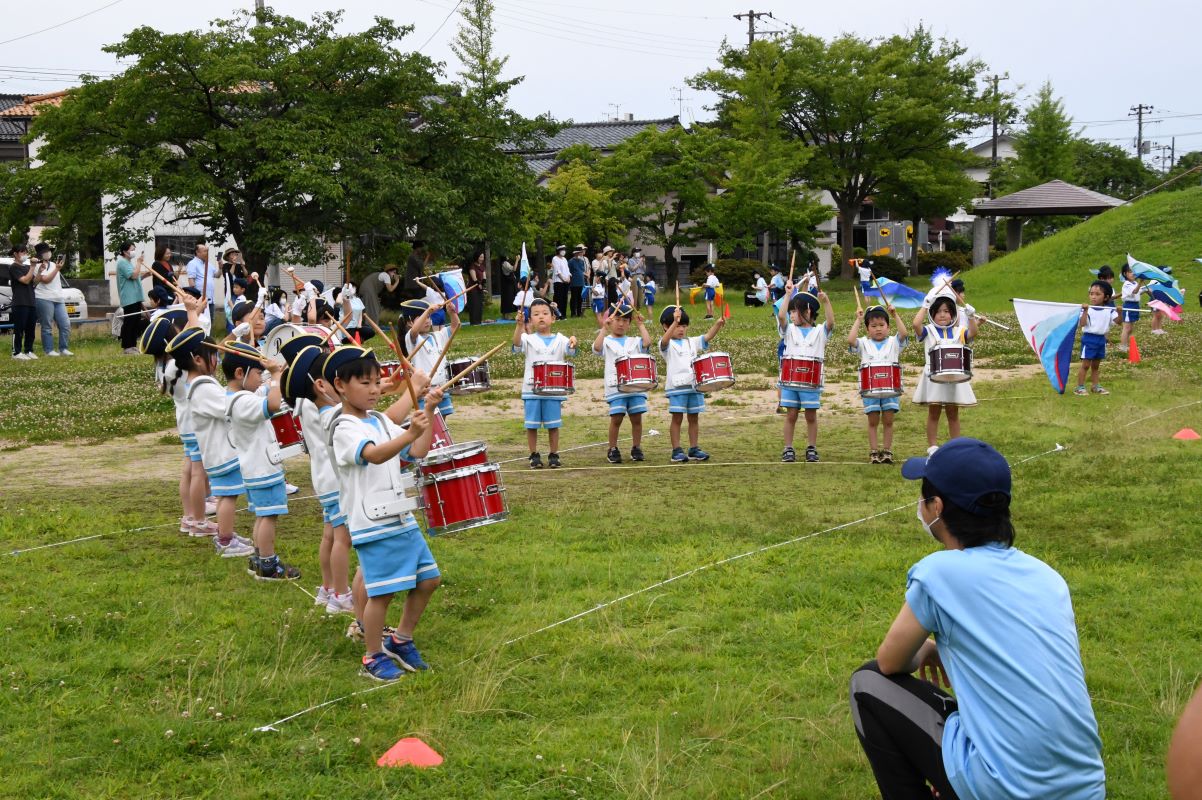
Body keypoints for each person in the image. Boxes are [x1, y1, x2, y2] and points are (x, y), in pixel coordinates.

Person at [850, 437, 1105, 800]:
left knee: (867, 683)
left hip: (1005, 788)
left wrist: (925, 649)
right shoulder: (1048, 577)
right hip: (1085, 788)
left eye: (923, 497)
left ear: (937, 507)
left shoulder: (939, 573)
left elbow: (890, 662)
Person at [326, 346, 443, 681]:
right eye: (365, 383)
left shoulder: (379, 420)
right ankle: (373, 656)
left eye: (377, 382)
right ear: (340, 385)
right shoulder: (343, 427)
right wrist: (409, 432)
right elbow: (374, 455)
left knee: (429, 579)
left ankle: (401, 640)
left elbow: (416, 451)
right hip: (371, 521)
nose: (374, 389)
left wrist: (428, 410)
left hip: (399, 515)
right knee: (382, 593)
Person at [165, 319, 254, 558]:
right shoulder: (203, 386)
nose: (217, 360)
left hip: (217, 450)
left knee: (227, 495)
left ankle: (227, 535)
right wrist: (250, 397)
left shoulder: (198, 382)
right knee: (228, 497)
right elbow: (228, 407)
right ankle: (225, 540)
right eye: (213, 355)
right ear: (197, 360)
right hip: (221, 452)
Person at [222, 342, 299, 580]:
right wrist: (275, 376)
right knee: (269, 516)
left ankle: (258, 557)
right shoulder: (243, 401)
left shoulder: (237, 397)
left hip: (254, 467)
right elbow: (273, 404)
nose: (260, 378)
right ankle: (268, 563)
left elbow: (264, 391)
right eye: (257, 373)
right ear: (240, 373)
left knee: (263, 514)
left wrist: (277, 374)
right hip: (263, 468)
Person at [513, 298, 577, 469]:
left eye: (544, 313)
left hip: (554, 389)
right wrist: (519, 326)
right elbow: (516, 345)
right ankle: (533, 454)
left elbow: (571, 350)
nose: (541, 317)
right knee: (531, 425)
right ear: (530, 320)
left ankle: (553, 453)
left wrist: (573, 341)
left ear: (553, 318)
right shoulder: (527, 338)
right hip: (532, 389)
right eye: (536, 314)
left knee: (553, 424)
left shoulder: (561, 339)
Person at [912, 292, 978, 455]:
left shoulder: (959, 331)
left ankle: (955, 446)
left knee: (953, 412)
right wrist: (925, 305)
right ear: (932, 314)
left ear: (953, 314)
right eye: (938, 311)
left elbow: (973, 333)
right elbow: (915, 324)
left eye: (947, 311)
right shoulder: (928, 331)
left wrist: (971, 317)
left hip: (954, 376)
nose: (942, 315)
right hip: (933, 376)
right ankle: (932, 447)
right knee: (934, 411)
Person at [659, 305, 725, 463]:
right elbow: (664, 341)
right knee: (677, 419)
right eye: (677, 326)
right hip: (676, 388)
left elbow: (707, 337)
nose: (681, 329)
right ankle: (676, 450)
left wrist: (717, 324)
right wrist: (674, 322)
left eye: (684, 326)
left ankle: (694, 448)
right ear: (666, 326)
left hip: (694, 387)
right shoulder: (666, 345)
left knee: (694, 418)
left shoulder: (691, 342)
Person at [777, 284, 835, 463]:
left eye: (795, 311)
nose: (791, 315)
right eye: (791, 311)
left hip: (811, 382)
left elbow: (830, 323)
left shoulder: (819, 332)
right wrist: (788, 295)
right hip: (790, 381)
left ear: (808, 311)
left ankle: (811, 447)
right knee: (791, 415)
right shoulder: (789, 330)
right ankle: (788, 448)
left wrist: (826, 302)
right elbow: (781, 316)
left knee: (811, 416)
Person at [848, 304, 909, 464]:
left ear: (888, 327)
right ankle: (874, 451)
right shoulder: (863, 343)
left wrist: (895, 315)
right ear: (867, 329)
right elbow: (850, 340)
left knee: (888, 421)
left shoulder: (894, 342)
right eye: (873, 326)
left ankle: (887, 451)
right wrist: (858, 319)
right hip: (870, 390)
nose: (878, 329)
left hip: (890, 388)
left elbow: (904, 333)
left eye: (882, 325)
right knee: (873, 421)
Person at [593, 303, 652, 464]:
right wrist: (604, 329)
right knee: (617, 418)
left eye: (625, 320)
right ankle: (612, 448)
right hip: (616, 387)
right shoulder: (606, 341)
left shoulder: (634, 341)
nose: (621, 324)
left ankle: (636, 447)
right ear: (611, 320)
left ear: (629, 323)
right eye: (617, 319)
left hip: (636, 386)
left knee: (636, 419)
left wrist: (641, 325)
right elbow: (596, 348)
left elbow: (647, 343)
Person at [401, 297, 460, 419]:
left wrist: (452, 313)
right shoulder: (412, 339)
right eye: (422, 318)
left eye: (429, 317)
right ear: (409, 322)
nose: (427, 321)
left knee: (442, 422)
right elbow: (414, 331)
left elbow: (455, 327)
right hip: (425, 391)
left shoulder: (438, 336)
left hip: (441, 388)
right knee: (428, 423)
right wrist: (428, 311)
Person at [1074, 281, 1118, 396]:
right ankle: (1080, 387)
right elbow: (1082, 324)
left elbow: (1118, 322)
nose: (1093, 296)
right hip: (1089, 339)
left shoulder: (1109, 310)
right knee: (1086, 365)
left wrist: (1120, 312)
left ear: (1106, 297)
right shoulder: (1087, 309)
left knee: (1096, 366)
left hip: (1101, 340)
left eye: (1097, 294)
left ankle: (1095, 386)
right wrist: (1085, 311)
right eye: (1091, 293)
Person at [32, 243, 72, 356]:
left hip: (58, 298)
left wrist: (57, 267)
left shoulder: (54, 264)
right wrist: (57, 269)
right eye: (45, 251)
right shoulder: (37, 266)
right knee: (47, 326)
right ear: (40, 254)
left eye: (49, 251)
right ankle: (48, 350)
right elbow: (45, 280)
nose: (48, 253)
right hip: (43, 298)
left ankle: (63, 348)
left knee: (65, 324)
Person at [116, 242, 150, 355]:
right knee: (129, 322)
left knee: (135, 322)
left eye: (134, 249)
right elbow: (134, 275)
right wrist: (139, 262)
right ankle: (127, 346)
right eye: (132, 249)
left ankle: (133, 345)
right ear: (125, 252)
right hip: (128, 298)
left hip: (135, 297)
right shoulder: (122, 262)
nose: (134, 251)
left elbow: (135, 278)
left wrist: (145, 275)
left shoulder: (129, 263)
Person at [8, 244, 37, 361]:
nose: (25, 254)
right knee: (19, 328)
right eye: (22, 252)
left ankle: (29, 350)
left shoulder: (27, 267)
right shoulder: (13, 267)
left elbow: (34, 281)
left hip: (31, 301)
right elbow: (25, 280)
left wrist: (40, 271)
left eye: (26, 252)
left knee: (31, 328)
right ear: (15, 254)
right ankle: (16, 352)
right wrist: (32, 267)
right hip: (20, 302)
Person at [1117, 263, 1146, 352]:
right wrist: (1140, 283)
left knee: (1131, 328)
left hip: (1135, 306)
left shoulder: (1134, 283)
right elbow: (1134, 291)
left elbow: (1138, 292)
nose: (1133, 274)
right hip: (1129, 306)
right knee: (1127, 328)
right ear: (1125, 274)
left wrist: (1145, 288)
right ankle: (1122, 346)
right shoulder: (1127, 284)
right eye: (1130, 272)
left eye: (1134, 272)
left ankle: (1127, 344)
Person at [184, 242, 217, 320]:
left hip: (210, 298)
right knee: (202, 320)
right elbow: (191, 282)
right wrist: (195, 297)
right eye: (204, 251)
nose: (206, 253)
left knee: (210, 320)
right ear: (197, 252)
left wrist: (221, 267)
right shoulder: (192, 263)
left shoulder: (208, 264)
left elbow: (217, 275)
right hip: (200, 299)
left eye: (207, 251)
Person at [466, 252, 487, 326]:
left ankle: (479, 321)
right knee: (474, 305)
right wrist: (479, 285)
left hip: (479, 289)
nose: (482, 259)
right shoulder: (472, 267)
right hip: (473, 288)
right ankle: (474, 322)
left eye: (483, 257)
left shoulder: (482, 267)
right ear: (476, 257)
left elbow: (484, 278)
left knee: (479, 305)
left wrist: (483, 285)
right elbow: (474, 279)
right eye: (480, 257)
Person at [568, 245, 588, 318]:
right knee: (574, 298)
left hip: (581, 281)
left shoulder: (581, 261)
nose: (580, 254)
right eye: (579, 252)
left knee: (580, 298)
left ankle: (579, 313)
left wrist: (585, 275)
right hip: (574, 282)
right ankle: (573, 313)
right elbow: (569, 271)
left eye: (580, 252)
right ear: (575, 253)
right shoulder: (571, 261)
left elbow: (582, 270)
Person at [550, 245, 571, 315]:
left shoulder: (564, 259)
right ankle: (557, 314)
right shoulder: (555, 259)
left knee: (565, 298)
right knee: (558, 298)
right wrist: (563, 279)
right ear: (558, 251)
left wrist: (568, 277)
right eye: (562, 250)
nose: (564, 251)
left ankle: (563, 314)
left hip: (566, 281)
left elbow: (567, 269)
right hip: (558, 281)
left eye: (564, 250)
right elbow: (557, 270)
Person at [499, 254, 517, 319]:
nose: (508, 256)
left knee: (506, 298)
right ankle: (508, 315)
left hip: (507, 284)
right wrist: (517, 260)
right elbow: (514, 269)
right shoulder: (505, 263)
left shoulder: (504, 263)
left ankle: (504, 315)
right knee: (509, 298)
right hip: (508, 285)